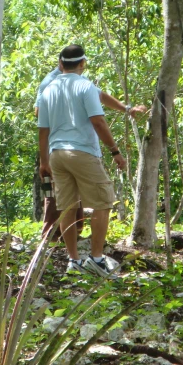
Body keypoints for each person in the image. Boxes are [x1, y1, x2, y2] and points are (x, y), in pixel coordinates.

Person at [37, 44, 129, 278]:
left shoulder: (48, 89)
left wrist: (43, 161)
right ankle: (96, 260)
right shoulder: (85, 86)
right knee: (102, 202)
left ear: (60, 64)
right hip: (82, 152)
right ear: (82, 64)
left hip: (57, 154)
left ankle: (73, 260)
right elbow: (98, 121)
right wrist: (115, 151)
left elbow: (43, 130)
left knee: (67, 206)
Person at [35, 60, 145, 241]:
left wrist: (127, 109)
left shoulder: (80, 80)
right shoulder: (50, 83)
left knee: (70, 200)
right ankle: (53, 239)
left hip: (65, 150)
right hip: (65, 146)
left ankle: (73, 244)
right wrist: (43, 159)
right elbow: (40, 114)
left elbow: (100, 95)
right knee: (69, 199)